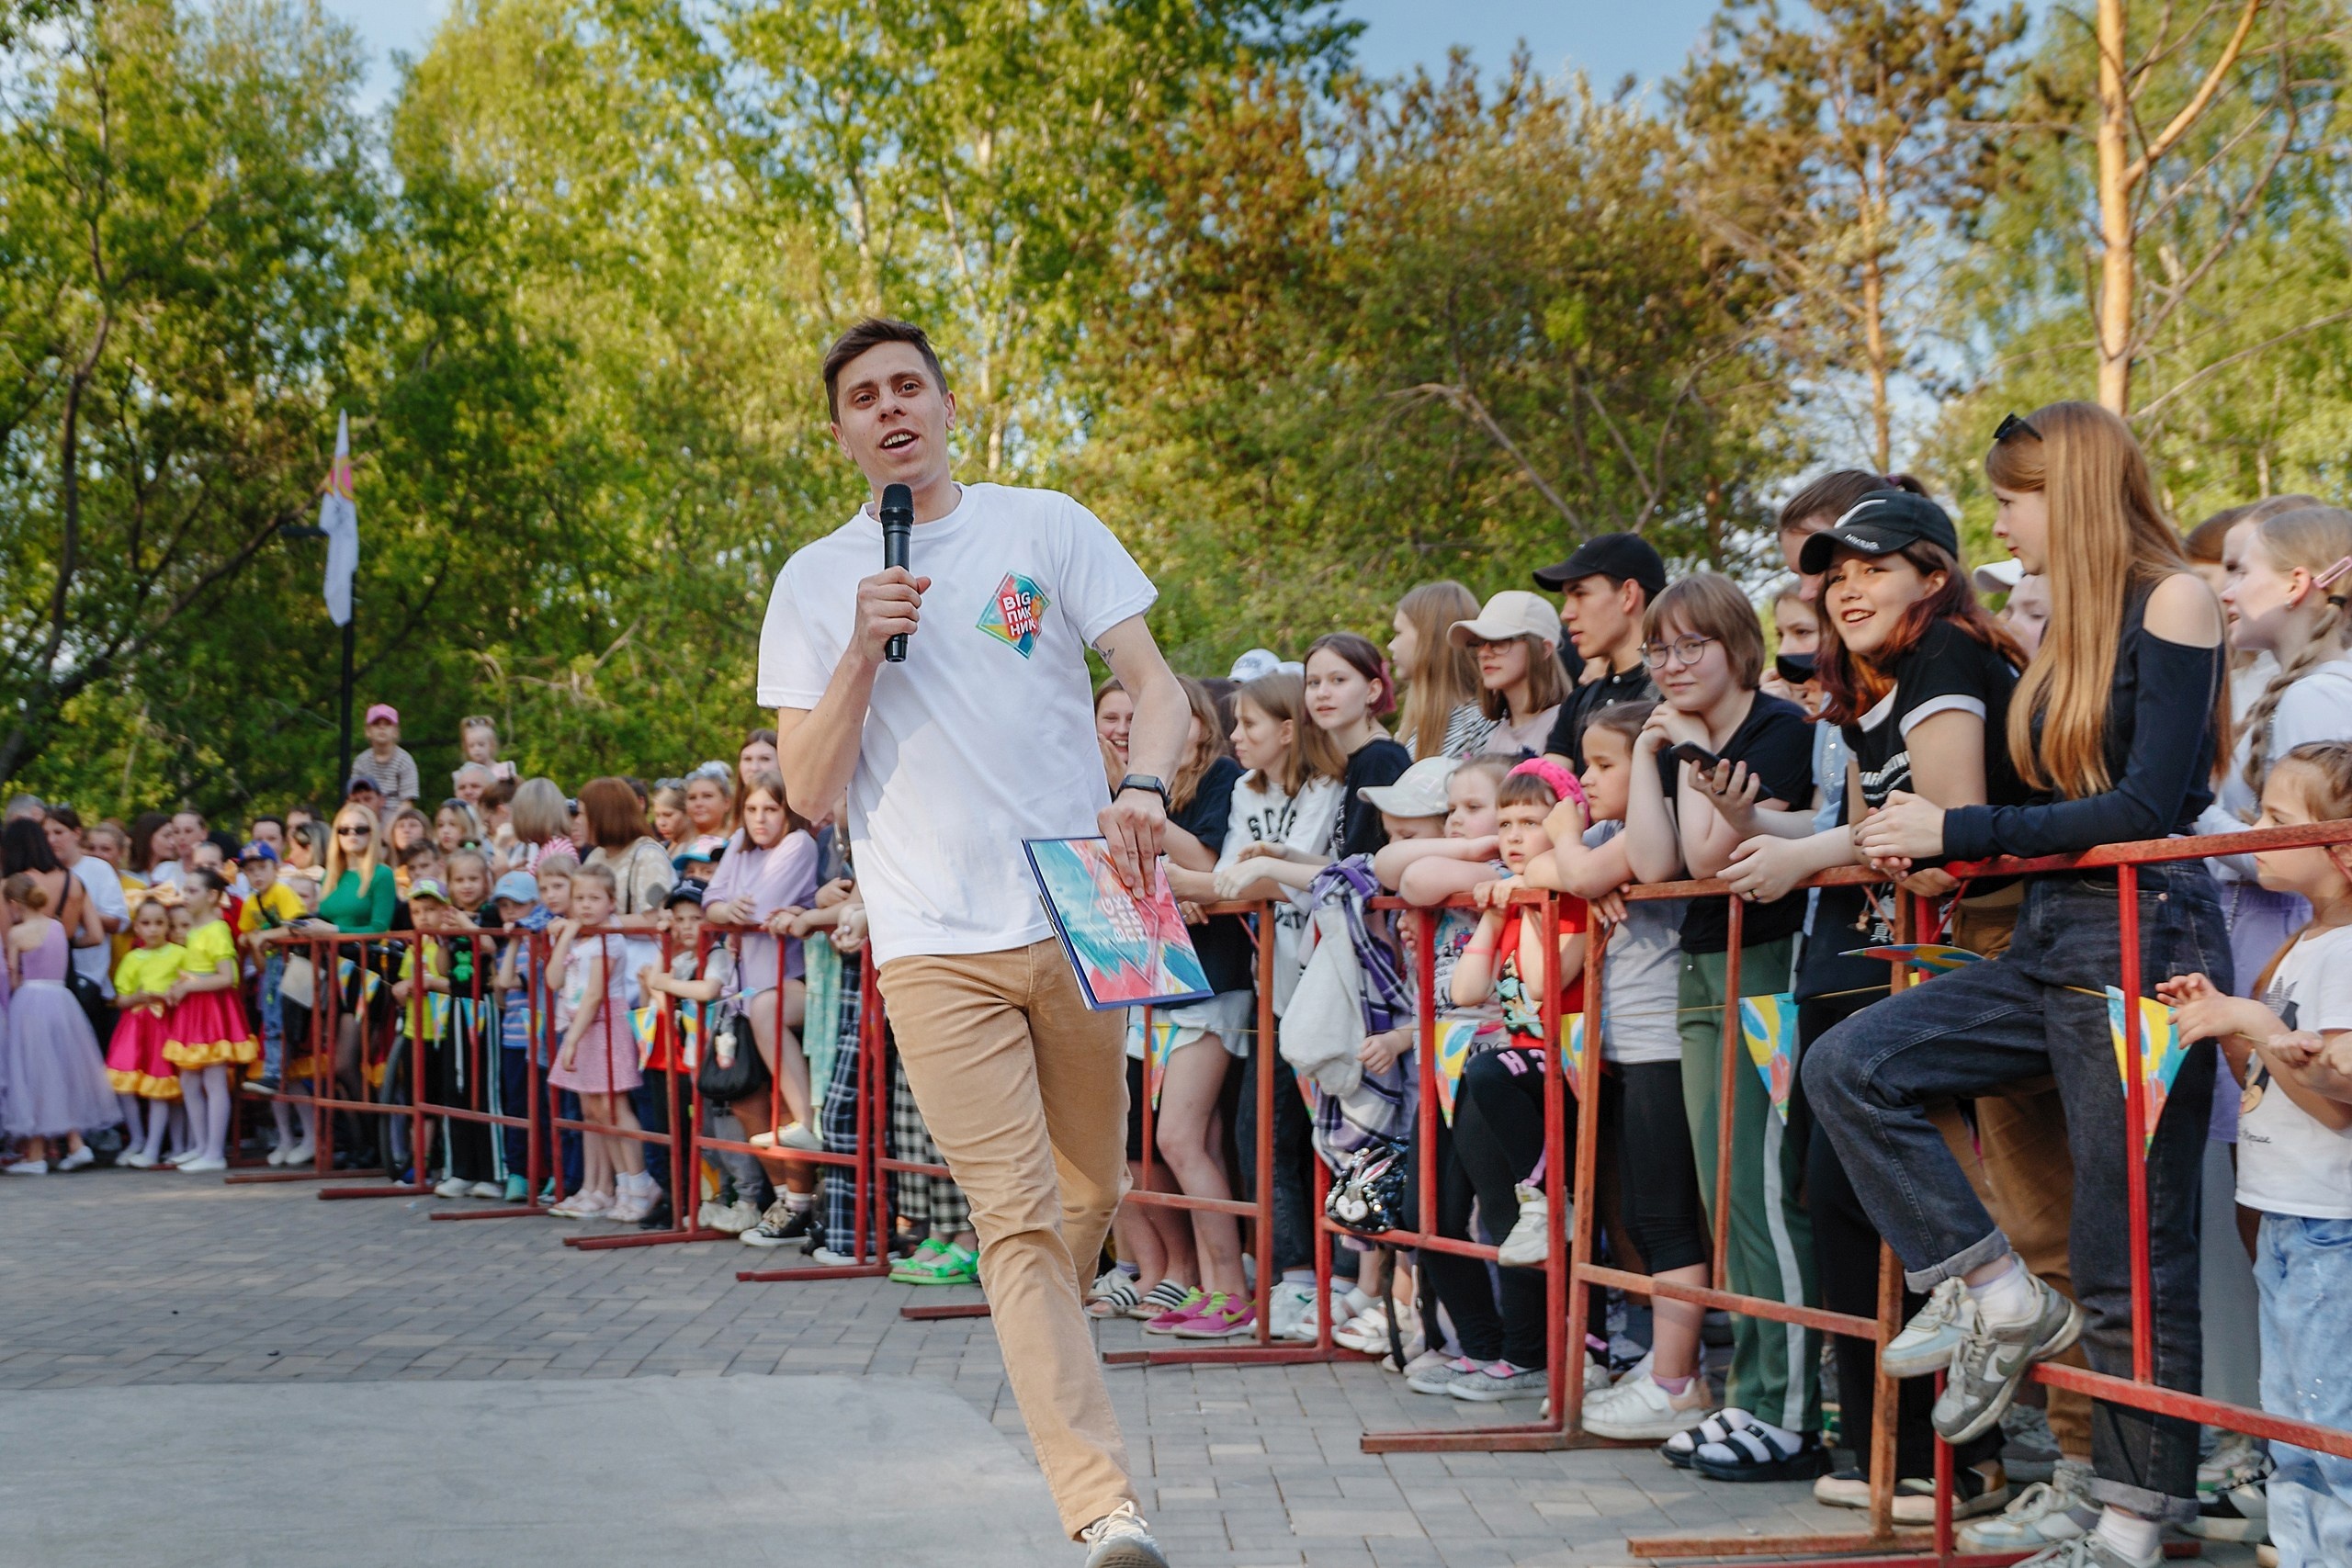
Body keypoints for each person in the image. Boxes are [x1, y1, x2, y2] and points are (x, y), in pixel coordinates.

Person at [757, 316, 1183, 1565]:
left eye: (908, 387)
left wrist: (1147, 785)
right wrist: (858, 648)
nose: (890, 409)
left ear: (949, 404)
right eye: (862, 398)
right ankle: (1104, 1503)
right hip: (932, 935)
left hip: (1088, 893)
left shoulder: (1045, 521)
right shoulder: (813, 578)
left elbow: (1154, 685)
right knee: (1013, 1217)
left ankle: (1065, 1311)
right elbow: (813, 790)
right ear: (838, 432)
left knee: (1089, 1191)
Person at [1810, 402, 2233, 1568]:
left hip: (2146, 941)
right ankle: (1992, 1292)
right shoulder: (2064, 622)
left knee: (2125, 1251)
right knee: (1850, 1065)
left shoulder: (2174, 597)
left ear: (2071, 491)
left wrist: (1958, 826)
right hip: (2052, 933)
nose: (1998, 519)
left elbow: (2147, 807)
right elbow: (2052, 806)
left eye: (2009, 497)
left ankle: (2141, 1517)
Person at [1725, 490, 2033, 1522]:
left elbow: (1938, 840)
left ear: (1933, 576)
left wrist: (1807, 853)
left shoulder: (1946, 655)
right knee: (1839, 1192)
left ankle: (1963, 1462)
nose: (1845, 587)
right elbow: (1877, 826)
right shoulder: (1875, 683)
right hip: (1892, 954)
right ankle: (1880, 1445)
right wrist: (1799, 847)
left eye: (1872, 568)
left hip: (1982, 958)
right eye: (1833, 572)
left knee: (1942, 1204)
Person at [1620, 570, 1826, 1481]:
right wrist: (1643, 757)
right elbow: (1657, 864)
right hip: (1702, 962)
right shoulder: (1678, 737)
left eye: (1688, 645)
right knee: (1721, 1194)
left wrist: (1697, 748)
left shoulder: (1776, 728)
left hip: (1770, 964)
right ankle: (1751, 1393)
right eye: (1657, 649)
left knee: (1761, 1190)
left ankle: (1784, 1407)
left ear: (1736, 644)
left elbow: (1715, 853)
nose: (1670, 664)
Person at [2161, 742, 2352, 1568]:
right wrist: (2225, 1016)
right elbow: (2270, 1083)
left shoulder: (2345, 952)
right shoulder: (2306, 945)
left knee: (2325, 1409)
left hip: (2327, 1221)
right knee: (2290, 1404)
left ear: (2340, 844)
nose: (2254, 833)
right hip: (2287, 1214)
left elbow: (2339, 1103)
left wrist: (2254, 1023)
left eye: (2277, 821)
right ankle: (2299, 1542)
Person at [1418, 761, 1588, 1403]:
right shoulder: (1514, 898)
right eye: (1508, 821)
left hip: (1558, 1066)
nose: (1515, 835)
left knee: (1531, 1211)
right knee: (1501, 1211)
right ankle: (1513, 1354)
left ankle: (1536, 1350)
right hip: (1512, 1070)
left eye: (1532, 822)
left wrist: (1529, 906)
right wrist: (1493, 916)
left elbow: (1545, 984)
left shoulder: (1563, 900)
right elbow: (1466, 991)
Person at [1114, 677, 1253, 1337]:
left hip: (1213, 978)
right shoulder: (1135, 789)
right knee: (1164, 1139)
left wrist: (1151, 827)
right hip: (1156, 977)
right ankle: (1198, 1277)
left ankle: (1233, 1285)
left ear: (1197, 721)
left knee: (1181, 1136)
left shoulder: (1222, 777)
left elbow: (1205, 859)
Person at [702, 770, 824, 1246]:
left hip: (789, 983)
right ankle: (785, 1203)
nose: (759, 819)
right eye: (751, 809)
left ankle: (806, 1134)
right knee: (747, 1098)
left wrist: (732, 911)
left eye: (770, 809)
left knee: (769, 1012)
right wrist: (723, 911)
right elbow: (712, 899)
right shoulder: (739, 842)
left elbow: (765, 905)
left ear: (787, 810)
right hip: (741, 994)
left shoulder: (799, 844)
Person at [546, 862, 657, 1221]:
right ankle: (621, 1184)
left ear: (611, 902)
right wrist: (564, 936)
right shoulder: (580, 940)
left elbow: (594, 995)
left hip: (602, 1027)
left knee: (615, 1108)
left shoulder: (609, 941)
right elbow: (552, 980)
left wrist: (573, 1041)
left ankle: (640, 1184)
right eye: (579, 898)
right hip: (581, 1027)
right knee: (594, 1111)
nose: (585, 905)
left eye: (594, 898)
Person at [2, 874, 118, 1175]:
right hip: (61, 1001)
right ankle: (71, 1144)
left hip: (31, 1002)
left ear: (14, 904)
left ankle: (38, 1155)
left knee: (34, 1073)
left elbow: (14, 978)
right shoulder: (56, 927)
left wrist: (17, 981)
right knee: (61, 1070)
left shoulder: (17, 934)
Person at [1536, 532, 1668, 771]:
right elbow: (1546, 791)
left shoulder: (1677, 693)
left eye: (1580, 594)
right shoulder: (1577, 703)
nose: (1566, 614)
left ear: (1628, 595)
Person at [160, 869, 256, 1173]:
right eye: (184, 890)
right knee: (189, 1079)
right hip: (194, 1009)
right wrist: (179, 987)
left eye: (192, 891)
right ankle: (200, 1146)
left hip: (212, 1009)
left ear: (212, 896)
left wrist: (189, 986)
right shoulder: (193, 931)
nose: (185, 896)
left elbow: (227, 977)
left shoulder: (217, 929)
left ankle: (214, 1151)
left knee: (214, 1080)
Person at [1306, 631, 1411, 858]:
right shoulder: (1359, 759)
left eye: (1338, 680)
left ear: (1372, 690)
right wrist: (1282, 856)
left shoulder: (1380, 760)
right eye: (1313, 683)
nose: (1322, 693)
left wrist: (1267, 869)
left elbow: (1360, 872)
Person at [106, 897, 183, 1167]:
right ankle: (137, 1138)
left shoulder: (179, 954)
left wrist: (168, 996)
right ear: (137, 927)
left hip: (165, 1026)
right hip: (135, 1027)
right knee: (125, 1085)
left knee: (160, 1086)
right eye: (146, 923)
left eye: (159, 923)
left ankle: (154, 1147)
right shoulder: (131, 958)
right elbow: (122, 999)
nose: (153, 929)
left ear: (168, 926)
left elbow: (184, 991)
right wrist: (140, 996)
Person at [1451, 591, 1570, 757]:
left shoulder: (1564, 725)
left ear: (1544, 650)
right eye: (1478, 643)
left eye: (1499, 641)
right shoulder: (1494, 732)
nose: (1484, 653)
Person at [1388, 581, 1494, 760]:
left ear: (1429, 638)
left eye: (1399, 633)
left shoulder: (1480, 727)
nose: (1391, 645)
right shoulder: (1413, 729)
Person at [348, 703, 420, 806]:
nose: (382, 728)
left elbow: (407, 802)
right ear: (368, 731)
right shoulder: (361, 761)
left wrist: (390, 822)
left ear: (396, 732)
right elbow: (355, 797)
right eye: (377, 724)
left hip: (397, 817)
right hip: (367, 814)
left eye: (387, 724)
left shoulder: (405, 760)